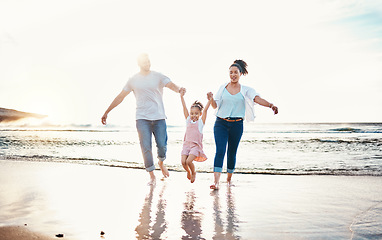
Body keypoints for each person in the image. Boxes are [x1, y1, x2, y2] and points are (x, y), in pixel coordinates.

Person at [101, 53, 184, 185]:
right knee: (145, 147)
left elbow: (171, 85)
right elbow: (121, 96)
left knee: (162, 145)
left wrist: (179, 89)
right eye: (144, 62)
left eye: (148, 61)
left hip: (159, 117)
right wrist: (107, 111)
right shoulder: (133, 79)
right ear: (139, 63)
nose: (147, 64)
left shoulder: (158, 76)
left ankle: (161, 162)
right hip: (142, 118)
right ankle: (152, 175)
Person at [207, 60, 278, 190]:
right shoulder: (222, 88)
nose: (233, 75)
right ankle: (216, 182)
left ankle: (228, 179)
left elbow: (257, 99)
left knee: (232, 152)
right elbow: (214, 106)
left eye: (235, 72)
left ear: (240, 74)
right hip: (221, 123)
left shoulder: (246, 90)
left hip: (237, 124)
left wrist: (270, 105)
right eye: (231, 72)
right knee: (220, 151)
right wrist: (211, 99)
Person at [179, 88, 211, 183]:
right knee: (183, 162)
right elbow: (184, 108)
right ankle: (188, 171)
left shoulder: (200, 123)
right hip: (186, 145)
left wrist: (209, 100)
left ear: (200, 114)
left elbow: (205, 111)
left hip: (195, 147)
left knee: (189, 161)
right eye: (192, 113)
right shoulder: (188, 120)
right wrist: (181, 97)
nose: (194, 115)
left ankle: (193, 172)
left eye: (196, 114)